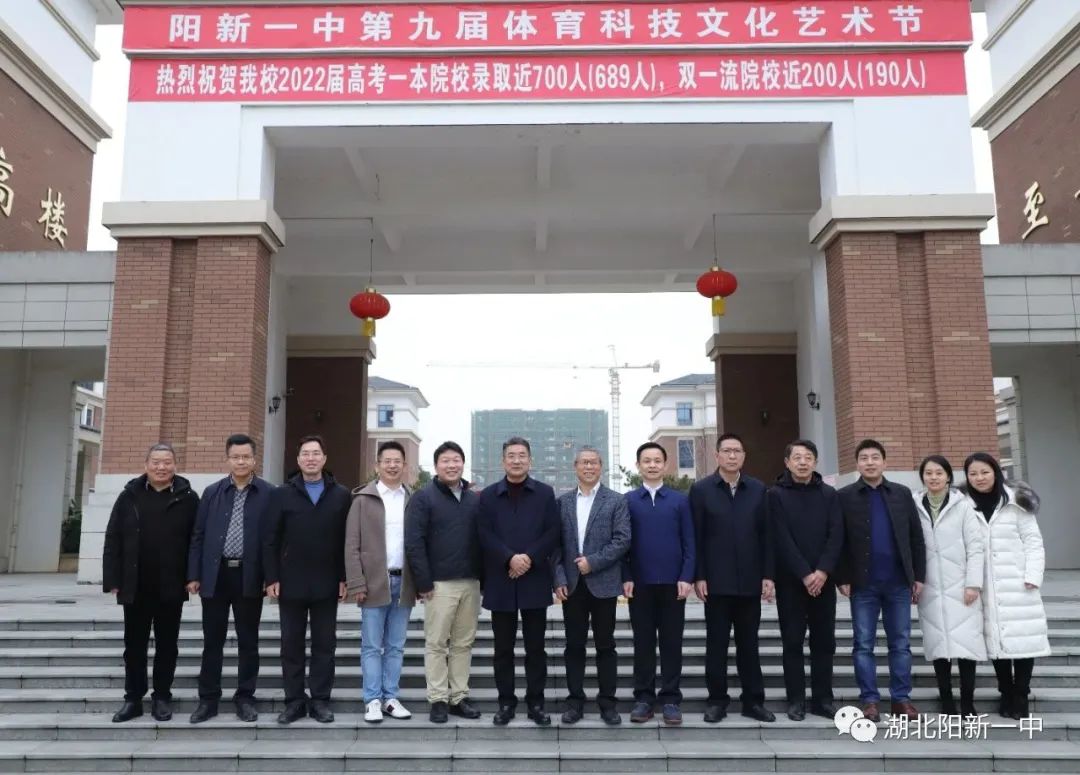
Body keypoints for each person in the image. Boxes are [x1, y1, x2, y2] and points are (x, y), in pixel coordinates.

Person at [102, 443, 199, 723]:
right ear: (146, 465)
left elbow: (197, 540)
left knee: (167, 645)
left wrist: (194, 576)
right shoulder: (128, 496)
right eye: (156, 462)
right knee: (134, 645)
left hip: (171, 584)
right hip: (135, 585)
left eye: (167, 462)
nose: (161, 467)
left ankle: (162, 697)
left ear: (175, 465)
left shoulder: (189, 497)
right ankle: (133, 699)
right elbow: (113, 538)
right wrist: (113, 578)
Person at [263, 435, 351, 725]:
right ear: (298, 459)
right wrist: (272, 576)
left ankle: (320, 700)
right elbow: (270, 539)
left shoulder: (341, 495)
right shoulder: (281, 494)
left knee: (325, 645)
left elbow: (346, 541)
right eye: (305, 454)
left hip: (328, 581)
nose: (311, 458)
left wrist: (344, 577)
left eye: (316, 453)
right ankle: (294, 701)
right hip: (290, 581)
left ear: (324, 458)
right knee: (291, 644)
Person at [836, 439, 925, 722]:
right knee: (863, 643)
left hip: (898, 582)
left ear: (884, 462)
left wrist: (918, 576)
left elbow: (916, 537)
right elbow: (838, 540)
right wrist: (842, 576)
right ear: (857, 463)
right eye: (864, 458)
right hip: (863, 584)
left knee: (901, 643)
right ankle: (870, 701)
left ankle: (901, 699)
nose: (870, 462)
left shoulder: (901, 493)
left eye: (875, 457)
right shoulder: (845, 496)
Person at [691, 433, 775, 724]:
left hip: (750, 582)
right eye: (726, 451)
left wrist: (768, 574)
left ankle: (753, 702)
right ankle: (717, 701)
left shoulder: (758, 489)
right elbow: (696, 537)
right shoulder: (701, 490)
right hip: (716, 583)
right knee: (716, 646)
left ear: (743, 456)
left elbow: (767, 536)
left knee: (749, 645)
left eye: (737, 451)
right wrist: (699, 575)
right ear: (717, 456)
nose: (731, 456)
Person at [187, 434, 271, 724]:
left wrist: (270, 577)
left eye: (246, 457)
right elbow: (198, 535)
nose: (241, 461)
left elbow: (273, 539)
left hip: (249, 576)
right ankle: (208, 700)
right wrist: (194, 574)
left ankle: (245, 698)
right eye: (236, 457)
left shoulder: (268, 493)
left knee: (249, 641)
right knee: (213, 640)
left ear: (254, 459)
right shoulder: (212, 492)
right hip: (216, 575)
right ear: (227, 459)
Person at [477, 436, 560, 727]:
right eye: (511, 455)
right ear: (503, 461)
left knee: (536, 648)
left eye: (522, 455)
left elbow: (552, 532)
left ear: (530, 460)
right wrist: (509, 558)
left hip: (534, 579)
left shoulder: (545, 493)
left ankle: (536, 703)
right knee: (503, 649)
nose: (516, 460)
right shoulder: (488, 496)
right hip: (501, 580)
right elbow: (484, 534)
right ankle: (506, 703)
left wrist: (527, 559)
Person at [963, 451, 1049, 720]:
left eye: (985, 472)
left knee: (1023, 639)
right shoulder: (964, 506)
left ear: (996, 473)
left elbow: (1033, 542)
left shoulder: (1016, 503)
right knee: (996, 640)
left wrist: (1032, 576)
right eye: (973, 473)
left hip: (1018, 583)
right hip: (984, 585)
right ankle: (1006, 691)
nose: (979, 478)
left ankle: (1021, 693)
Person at [404, 441, 484, 723]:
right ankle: (438, 698)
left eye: (456, 460)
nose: (452, 465)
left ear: (463, 463)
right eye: (446, 461)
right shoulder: (423, 497)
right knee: (437, 643)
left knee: (463, 643)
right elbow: (414, 542)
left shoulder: (474, 499)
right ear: (436, 465)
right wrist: (423, 582)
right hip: (438, 585)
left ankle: (459, 697)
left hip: (471, 582)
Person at [551, 446, 631, 726]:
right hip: (572, 586)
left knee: (605, 645)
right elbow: (555, 546)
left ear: (601, 466)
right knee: (574, 646)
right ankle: (575, 702)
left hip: (604, 583)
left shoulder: (616, 501)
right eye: (584, 462)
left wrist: (592, 562)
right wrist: (559, 578)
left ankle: (608, 703)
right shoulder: (562, 502)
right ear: (575, 466)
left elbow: (622, 539)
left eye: (594, 462)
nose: (588, 467)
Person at [767, 439, 843, 721]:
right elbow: (780, 537)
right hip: (791, 582)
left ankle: (823, 700)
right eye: (797, 457)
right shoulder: (775, 495)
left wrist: (822, 572)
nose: (802, 462)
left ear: (815, 461)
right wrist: (805, 573)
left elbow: (836, 534)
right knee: (792, 642)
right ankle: (796, 700)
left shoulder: (829, 494)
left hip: (824, 582)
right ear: (787, 462)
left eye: (808, 457)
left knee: (824, 643)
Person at [624, 442, 694, 726]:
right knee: (642, 642)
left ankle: (671, 700)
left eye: (657, 460)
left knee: (671, 643)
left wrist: (686, 576)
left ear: (665, 465)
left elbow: (690, 542)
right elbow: (622, 544)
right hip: (639, 584)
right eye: (646, 461)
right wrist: (626, 576)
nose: (652, 465)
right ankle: (643, 698)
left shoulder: (680, 501)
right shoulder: (628, 501)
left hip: (673, 585)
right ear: (638, 465)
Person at [346, 441, 416, 723]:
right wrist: (356, 583)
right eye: (387, 461)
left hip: (404, 581)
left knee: (396, 646)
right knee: (372, 646)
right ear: (377, 465)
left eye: (397, 461)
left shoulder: (412, 499)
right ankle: (372, 699)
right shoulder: (363, 500)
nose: (392, 465)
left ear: (404, 465)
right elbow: (351, 545)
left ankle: (390, 698)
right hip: (374, 582)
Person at [913, 454, 986, 718]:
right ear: (922, 477)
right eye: (928, 473)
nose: (933, 477)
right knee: (938, 647)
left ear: (948, 477)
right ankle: (947, 701)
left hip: (961, 586)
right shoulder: (914, 505)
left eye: (939, 473)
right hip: (930, 587)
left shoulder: (963, 506)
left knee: (967, 647)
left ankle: (967, 702)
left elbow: (976, 547)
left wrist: (973, 583)